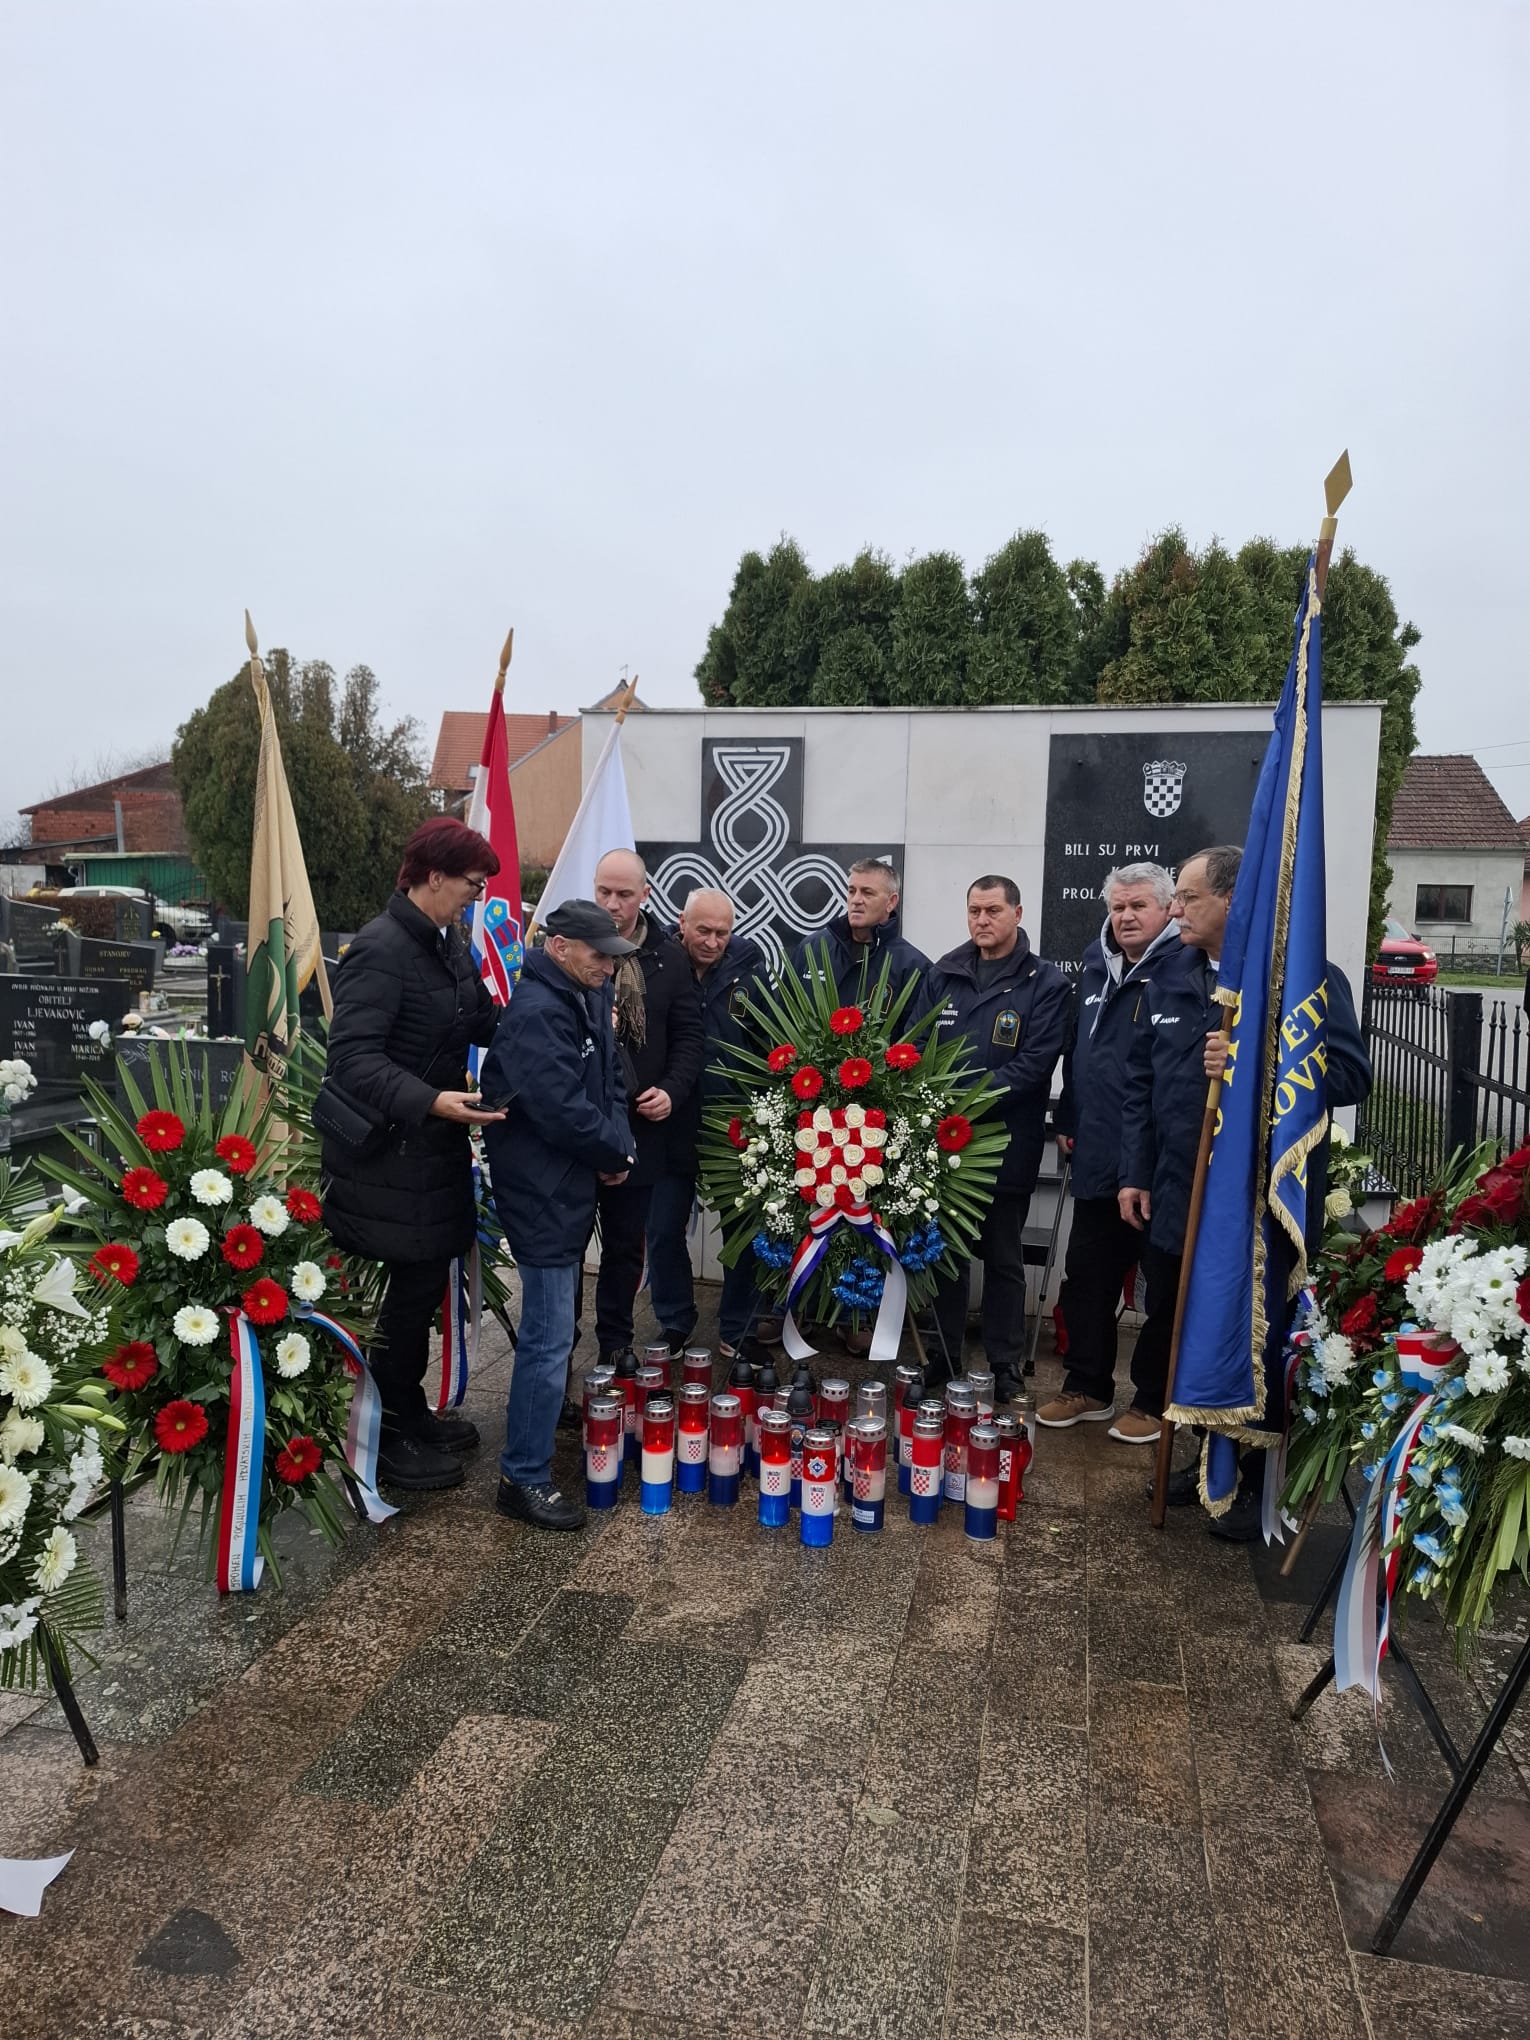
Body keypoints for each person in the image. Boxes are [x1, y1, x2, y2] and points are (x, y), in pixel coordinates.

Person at [1116, 845, 1371, 1536]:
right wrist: (1135, 1172)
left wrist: (1259, 1058)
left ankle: (1254, 1479)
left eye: (1188, 897)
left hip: (1258, 1202)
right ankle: (1206, 1458)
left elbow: (1349, 1077)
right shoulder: (1169, 975)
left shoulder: (1306, 978)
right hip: (1178, 1190)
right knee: (1184, 1325)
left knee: (1254, 1335)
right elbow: (1142, 1083)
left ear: (1232, 899)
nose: (1174, 910)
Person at [320, 817, 505, 1491]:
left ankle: (407, 1407)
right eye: (472, 885)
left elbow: (479, 1018)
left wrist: (553, 1007)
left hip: (431, 1151)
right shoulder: (381, 948)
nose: (476, 899)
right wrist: (431, 1101)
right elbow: (352, 1059)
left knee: (424, 1285)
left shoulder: (446, 942)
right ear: (433, 877)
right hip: (388, 1157)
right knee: (411, 1288)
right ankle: (384, 1434)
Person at [480, 901, 638, 1530]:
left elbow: (611, 1080)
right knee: (546, 1338)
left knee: (556, 1334)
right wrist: (611, 1149)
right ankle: (522, 1476)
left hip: (572, 1182)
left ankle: (536, 1440)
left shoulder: (585, 993)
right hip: (541, 1191)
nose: (609, 967)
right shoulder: (537, 1011)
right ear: (559, 946)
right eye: (599, 955)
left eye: (613, 957)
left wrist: (618, 1146)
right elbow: (561, 1109)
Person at [1038, 864, 1181, 1431]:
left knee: (1162, 1289)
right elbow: (1080, 1051)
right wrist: (1068, 1115)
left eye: (1138, 906)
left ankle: (1152, 1399)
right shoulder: (1096, 964)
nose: (1125, 917)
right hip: (1098, 1149)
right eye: (1118, 907)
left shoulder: (1184, 967)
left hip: (1158, 1159)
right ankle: (1086, 1386)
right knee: (1087, 1278)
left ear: (1168, 908)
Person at [927, 875, 1071, 1399]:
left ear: (1018, 913)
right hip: (943, 1145)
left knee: (1004, 1259)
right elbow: (916, 1046)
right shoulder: (944, 973)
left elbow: (1035, 1064)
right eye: (974, 910)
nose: (982, 920)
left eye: (993, 910)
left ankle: (1005, 1365)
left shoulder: (1046, 983)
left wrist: (965, 1099)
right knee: (945, 1256)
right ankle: (943, 1357)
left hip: (1006, 1144)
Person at [587, 848, 704, 1363]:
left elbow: (689, 1038)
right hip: (579, 1126)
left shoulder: (669, 958)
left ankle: (615, 1347)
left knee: (624, 1247)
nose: (612, 904)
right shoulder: (572, 947)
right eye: (604, 892)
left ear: (645, 895)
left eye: (624, 894)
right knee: (568, 1254)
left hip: (640, 1128)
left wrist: (672, 1090)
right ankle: (560, 1351)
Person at [648, 887, 767, 1360]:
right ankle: (674, 1322)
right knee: (663, 1229)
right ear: (682, 923)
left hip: (729, 1122)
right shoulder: (656, 963)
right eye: (703, 930)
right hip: (668, 1120)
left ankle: (738, 1328)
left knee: (742, 1229)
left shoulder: (750, 968)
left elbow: (766, 1041)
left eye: (723, 933)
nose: (713, 942)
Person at [792, 857, 931, 1009]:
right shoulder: (812, 949)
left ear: (891, 902)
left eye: (867, 893)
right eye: (852, 891)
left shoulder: (913, 968)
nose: (856, 900)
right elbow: (783, 1014)